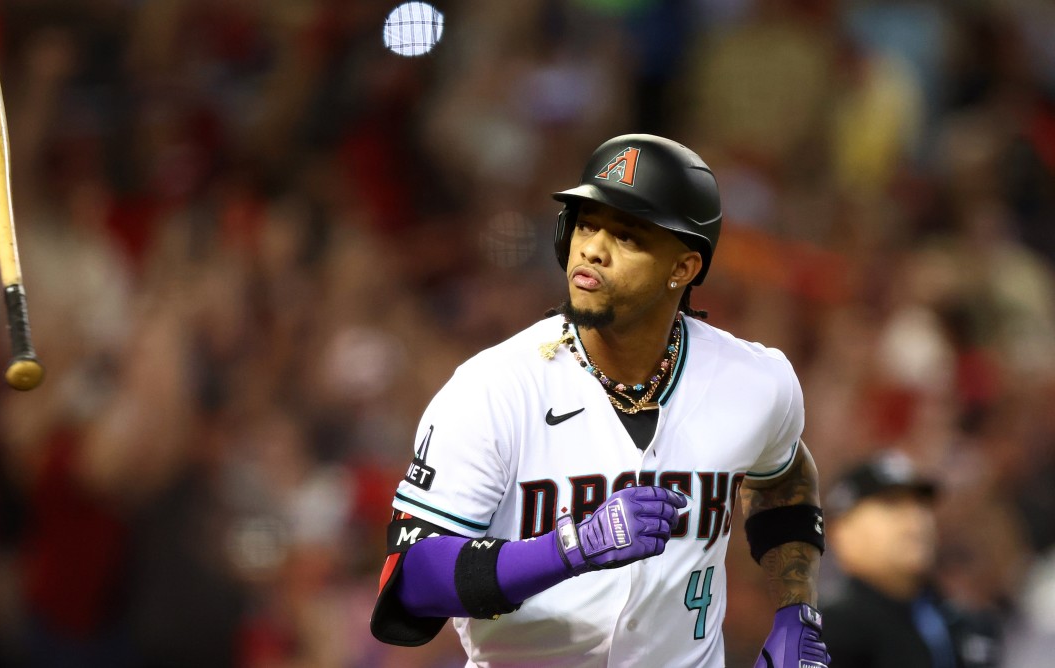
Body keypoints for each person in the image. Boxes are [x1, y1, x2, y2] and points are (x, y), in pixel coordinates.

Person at [369, 134, 830, 667]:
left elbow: (785, 477)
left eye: (627, 235)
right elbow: (411, 577)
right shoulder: (493, 388)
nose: (592, 249)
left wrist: (797, 610)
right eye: (587, 225)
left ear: (683, 268)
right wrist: (568, 548)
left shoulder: (755, 380)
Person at [822, 450, 1002, 668]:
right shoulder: (823, 632)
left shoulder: (967, 626)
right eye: (891, 504)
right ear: (841, 532)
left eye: (920, 504)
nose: (914, 518)